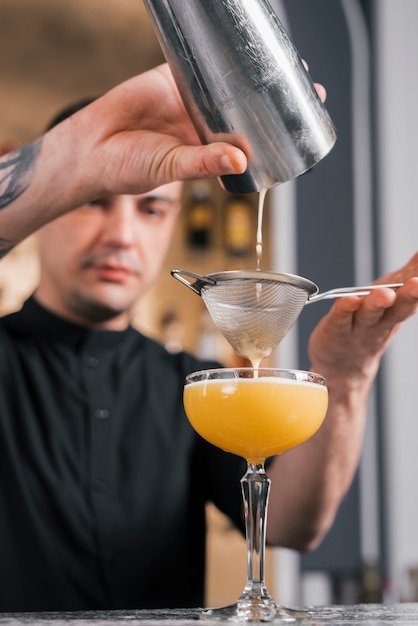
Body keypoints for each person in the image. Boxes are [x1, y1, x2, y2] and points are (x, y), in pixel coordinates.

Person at [0, 66, 418, 612]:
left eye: (151, 209)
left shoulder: (193, 387)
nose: (121, 235)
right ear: (49, 211)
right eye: (93, 200)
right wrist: (68, 159)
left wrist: (346, 372)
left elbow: (294, 526)